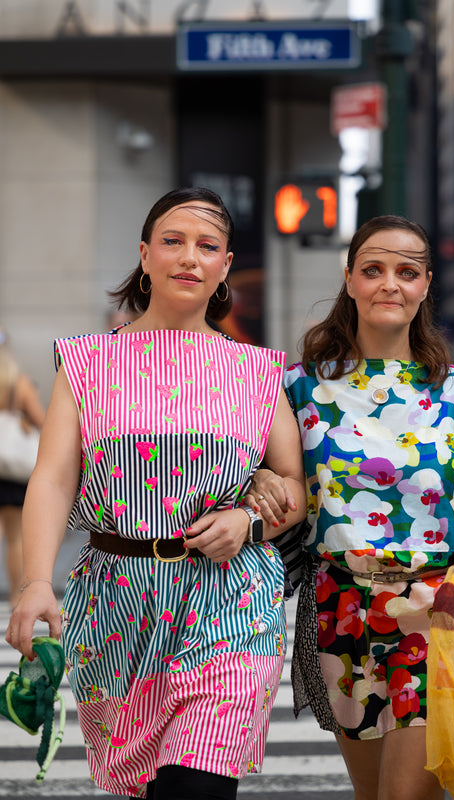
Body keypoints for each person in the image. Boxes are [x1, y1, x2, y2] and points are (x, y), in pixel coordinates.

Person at [6, 187, 306, 800]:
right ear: (145, 255)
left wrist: (248, 521)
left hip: (232, 601)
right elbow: (54, 478)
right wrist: (34, 582)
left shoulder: (257, 371)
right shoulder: (86, 362)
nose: (190, 256)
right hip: (117, 605)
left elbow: (295, 488)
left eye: (207, 246)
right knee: (144, 785)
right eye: (173, 241)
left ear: (224, 265)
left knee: (195, 782)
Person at [245, 215, 454, 800]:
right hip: (341, 613)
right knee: (373, 794)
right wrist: (261, 483)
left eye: (407, 272)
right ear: (349, 279)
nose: (389, 284)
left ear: (425, 285)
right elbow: (263, 474)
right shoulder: (297, 387)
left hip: (439, 614)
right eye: (373, 269)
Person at [0, 329, 46, 608]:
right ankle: (15, 596)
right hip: (13, 471)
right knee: (15, 537)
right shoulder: (20, 384)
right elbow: (43, 421)